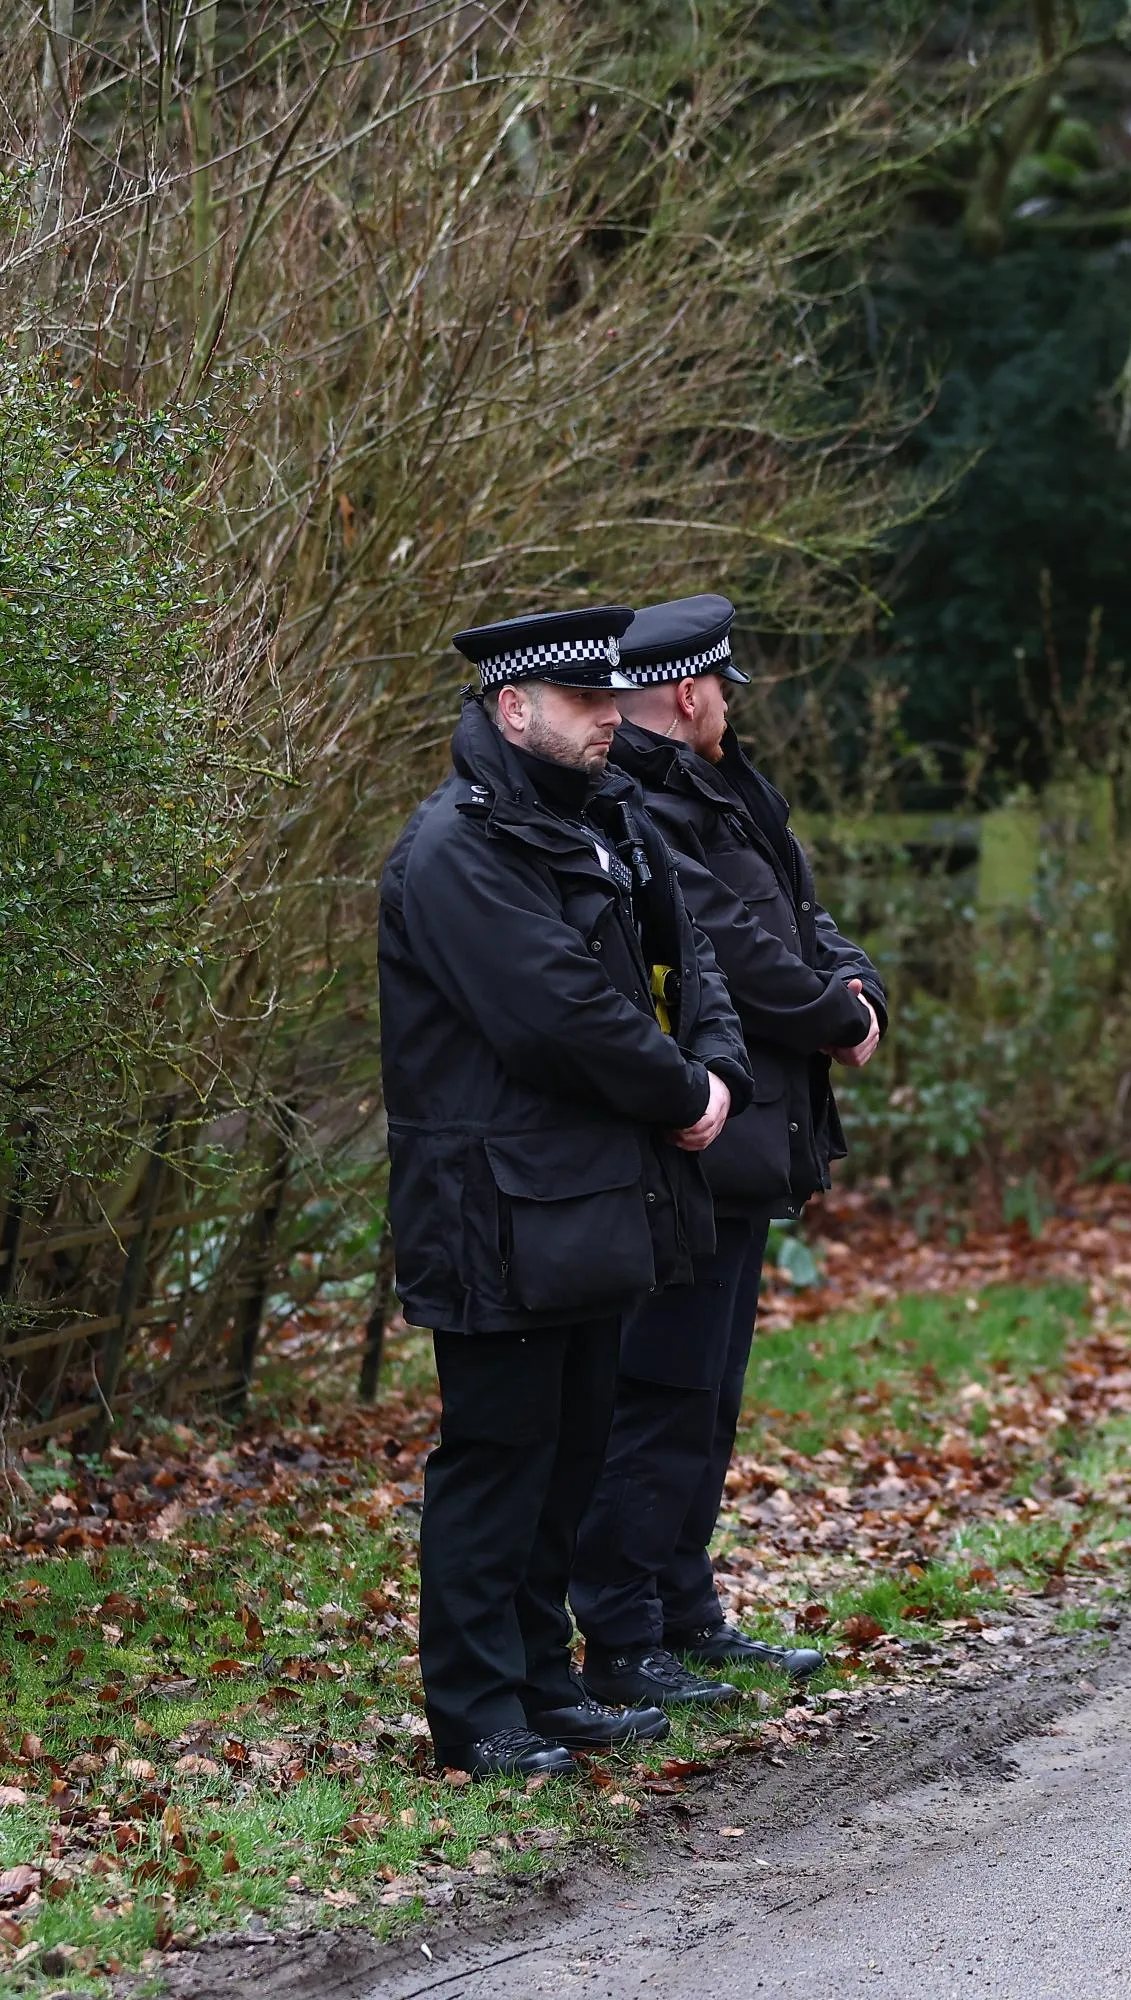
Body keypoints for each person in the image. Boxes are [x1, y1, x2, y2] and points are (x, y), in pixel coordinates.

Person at [377, 603, 756, 1780]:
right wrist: (679, 1088)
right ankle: (477, 1711)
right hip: (493, 1210)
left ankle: (544, 1683)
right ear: (514, 708)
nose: (608, 718)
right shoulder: (457, 849)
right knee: (497, 1460)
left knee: (569, 1455)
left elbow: (687, 958)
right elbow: (555, 1013)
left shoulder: (600, 823)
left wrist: (718, 1066)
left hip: (590, 1202)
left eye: (609, 696)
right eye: (584, 701)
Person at [569, 594, 885, 1710]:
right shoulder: (641, 807)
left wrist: (856, 985)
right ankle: (623, 1633)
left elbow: (802, 915)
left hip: (748, 1142)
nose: (727, 708)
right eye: (723, 690)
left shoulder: (727, 790)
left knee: (708, 1396)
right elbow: (735, 952)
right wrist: (835, 1016)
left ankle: (685, 1611)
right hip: (689, 1148)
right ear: (692, 692)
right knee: (660, 1393)